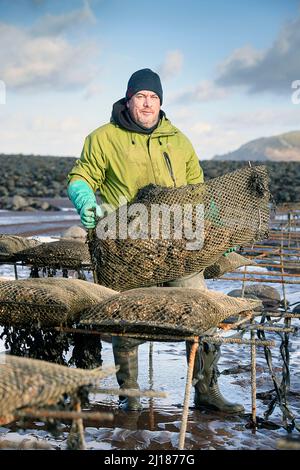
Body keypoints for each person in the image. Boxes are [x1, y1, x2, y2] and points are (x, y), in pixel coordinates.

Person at [67, 68, 244, 414]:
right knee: (126, 319)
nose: (147, 103)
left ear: (160, 102)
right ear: (128, 99)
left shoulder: (179, 140)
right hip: (126, 248)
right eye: (140, 97)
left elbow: (200, 191)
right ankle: (129, 394)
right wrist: (84, 199)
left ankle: (207, 391)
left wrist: (221, 231)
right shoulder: (103, 138)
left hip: (178, 246)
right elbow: (81, 176)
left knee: (202, 312)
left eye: (153, 97)